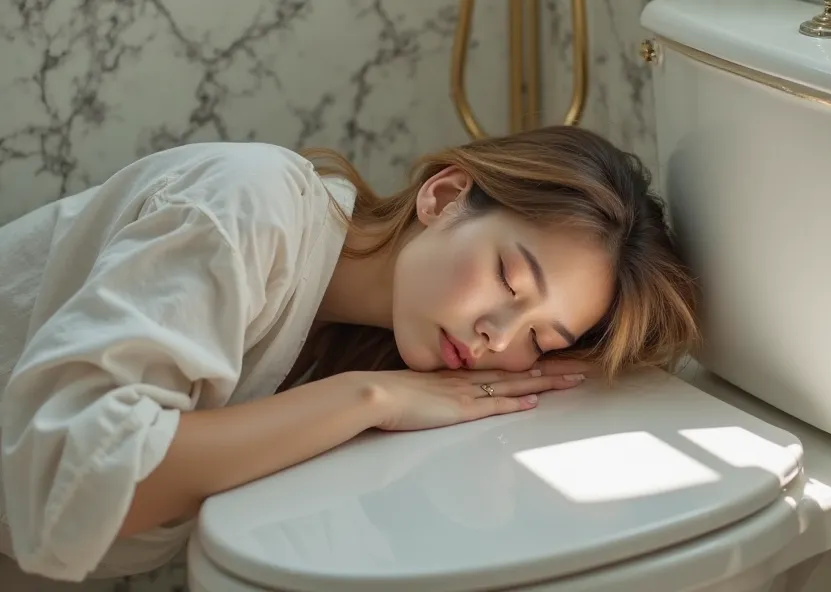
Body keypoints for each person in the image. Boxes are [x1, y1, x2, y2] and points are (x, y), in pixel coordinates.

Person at [0, 126, 699, 582]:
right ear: (446, 196)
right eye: (510, 280)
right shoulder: (248, 205)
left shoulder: (388, 345)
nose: (499, 337)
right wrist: (368, 398)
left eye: (542, 338)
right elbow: (67, 478)